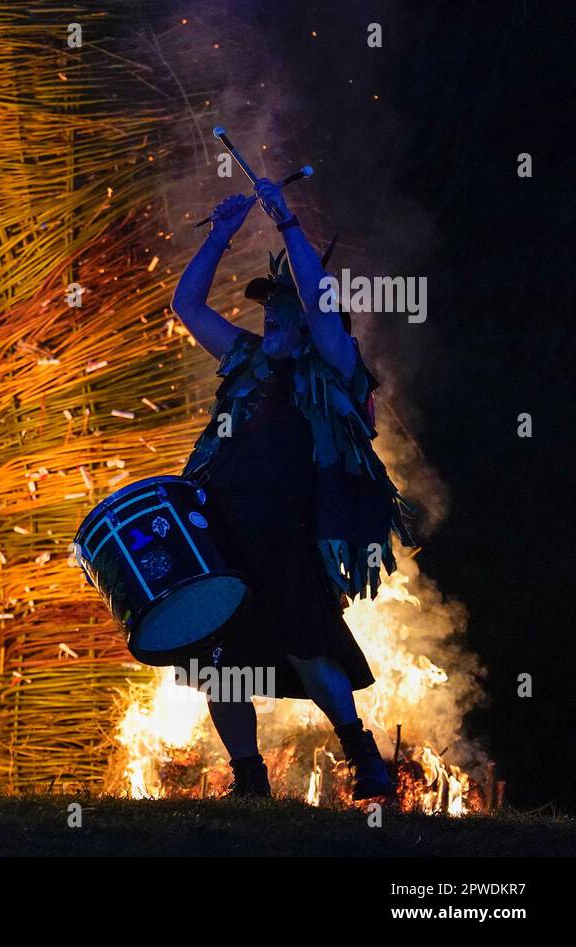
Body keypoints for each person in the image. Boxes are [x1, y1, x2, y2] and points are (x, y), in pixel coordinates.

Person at [170, 178, 412, 800]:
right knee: (220, 663)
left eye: (284, 306)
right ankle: (249, 781)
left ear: (310, 322)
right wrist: (221, 234)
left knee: (307, 646)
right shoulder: (248, 358)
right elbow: (188, 306)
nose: (272, 313)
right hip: (221, 529)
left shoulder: (335, 364)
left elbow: (319, 299)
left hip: (288, 530)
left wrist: (288, 225)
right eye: (268, 307)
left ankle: (363, 755)